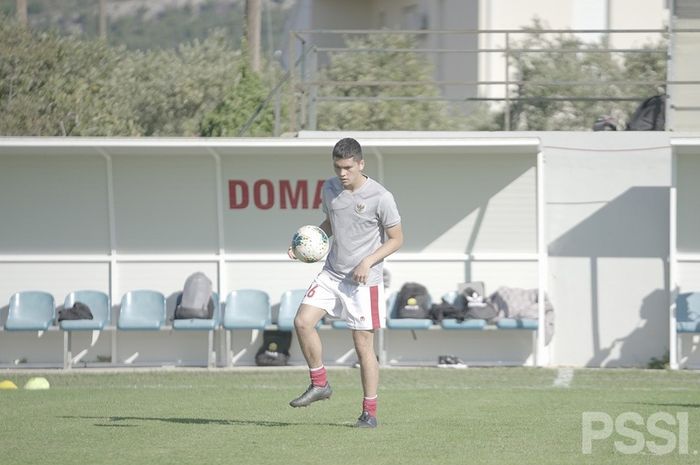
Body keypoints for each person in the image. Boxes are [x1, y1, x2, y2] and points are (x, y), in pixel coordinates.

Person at [287, 137, 403, 428]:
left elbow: (397, 239)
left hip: (364, 282)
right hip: (332, 273)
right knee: (302, 322)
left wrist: (367, 261)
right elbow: (331, 225)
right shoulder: (329, 188)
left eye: (348, 167)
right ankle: (320, 383)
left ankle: (369, 412)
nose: (342, 173)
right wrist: (307, 244)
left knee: (363, 346)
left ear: (361, 164)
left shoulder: (381, 197)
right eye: (338, 167)